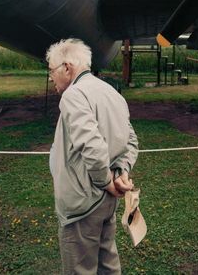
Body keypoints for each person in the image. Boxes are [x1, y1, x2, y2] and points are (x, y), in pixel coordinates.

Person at [46, 38, 139, 274]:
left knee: (80, 269)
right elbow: (130, 141)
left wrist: (108, 182)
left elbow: (92, 147)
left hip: (82, 204)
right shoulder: (111, 92)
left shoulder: (74, 95)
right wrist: (121, 173)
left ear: (67, 68)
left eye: (52, 71)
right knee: (107, 263)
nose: (51, 77)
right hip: (106, 202)